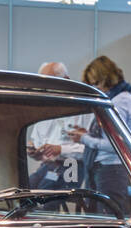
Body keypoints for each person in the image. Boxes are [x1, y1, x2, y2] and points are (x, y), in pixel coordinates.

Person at [69, 56, 131, 215]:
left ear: (106, 78)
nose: (96, 89)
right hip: (102, 167)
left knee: (109, 216)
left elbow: (115, 144)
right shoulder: (112, 99)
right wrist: (87, 134)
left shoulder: (120, 101)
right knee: (97, 215)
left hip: (110, 168)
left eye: (96, 83)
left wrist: (84, 138)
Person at [25, 62, 90, 191]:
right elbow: (36, 142)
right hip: (48, 165)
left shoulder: (82, 107)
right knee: (25, 191)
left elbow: (89, 148)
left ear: (66, 80)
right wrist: (33, 151)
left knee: (45, 195)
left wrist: (61, 149)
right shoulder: (43, 109)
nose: (45, 88)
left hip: (72, 165)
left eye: (49, 82)